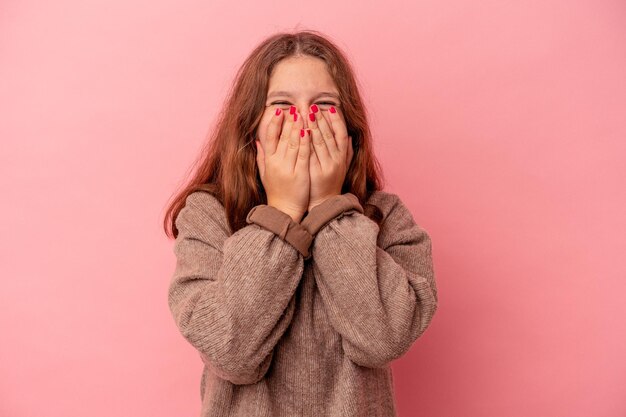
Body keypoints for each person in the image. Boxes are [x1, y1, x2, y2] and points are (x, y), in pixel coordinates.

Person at [163, 29, 438, 417]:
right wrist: (282, 211)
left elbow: (383, 340)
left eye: (324, 105)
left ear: (350, 129)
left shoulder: (387, 218)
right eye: (282, 105)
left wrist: (329, 206)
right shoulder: (208, 217)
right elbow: (230, 351)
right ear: (251, 127)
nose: (305, 123)